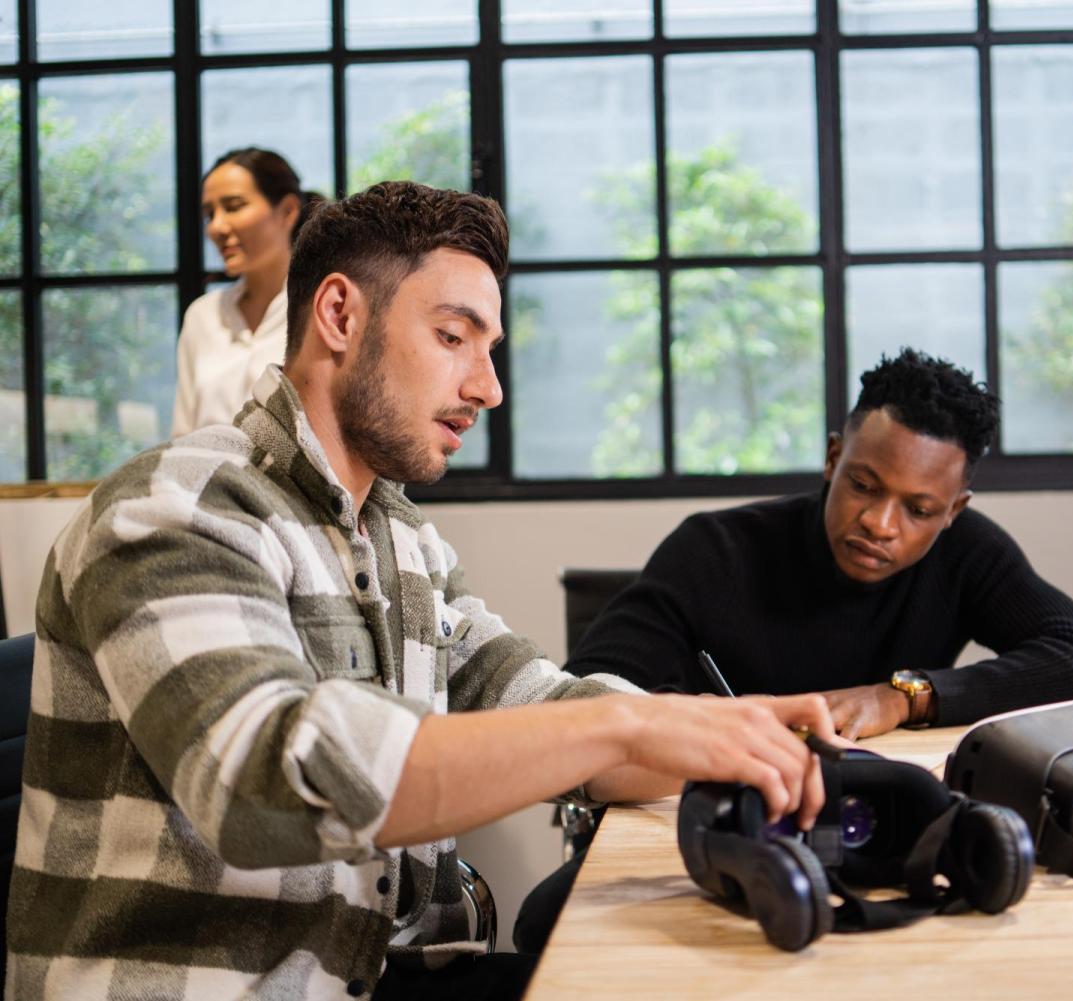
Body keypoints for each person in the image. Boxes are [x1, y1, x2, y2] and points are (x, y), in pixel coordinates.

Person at [7, 182, 834, 1001]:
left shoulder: (401, 535)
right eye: (453, 337)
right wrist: (627, 724)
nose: (488, 387)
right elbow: (261, 780)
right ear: (339, 315)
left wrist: (726, 731)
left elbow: (536, 700)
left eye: (491, 348)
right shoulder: (175, 505)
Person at [565, 348, 1073, 740]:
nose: (881, 524)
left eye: (919, 509)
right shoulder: (716, 549)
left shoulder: (967, 553)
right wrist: (707, 720)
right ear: (834, 459)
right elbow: (586, 690)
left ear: (953, 510)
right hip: (711, 813)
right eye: (863, 485)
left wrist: (906, 696)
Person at [171, 147, 319, 437]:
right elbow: (182, 435)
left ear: (288, 211)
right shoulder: (202, 316)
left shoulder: (320, 311)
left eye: (234, 206)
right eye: (209, 214)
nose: (217, 227)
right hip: (204, 479)